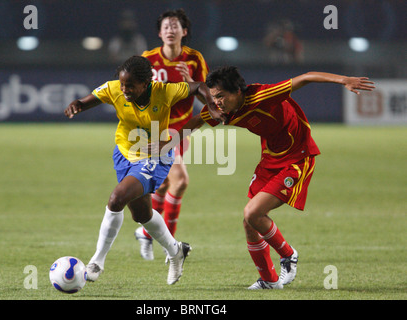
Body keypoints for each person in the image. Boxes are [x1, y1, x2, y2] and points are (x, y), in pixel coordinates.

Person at [154, 66, 375, 289]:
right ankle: (269, 281)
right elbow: (194, 123)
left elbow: (306, 77)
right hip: (270, 159)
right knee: (250, 222)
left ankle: (288, 255)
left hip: (297, 157)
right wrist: (165, 146)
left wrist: (344, 80)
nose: (217, 102)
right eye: (213, 97)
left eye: (221, 96)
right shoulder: (223, 110)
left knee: (252, 212)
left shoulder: (261, 96)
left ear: (237, 91)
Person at [63, 55, 217, 285]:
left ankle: (97, 261)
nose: (124, 89)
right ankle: (176, 251)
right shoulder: (115, 88)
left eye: (130, 85)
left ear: (146, 83)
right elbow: (91, 99)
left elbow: (198, 87)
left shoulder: (164, 91)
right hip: (124, 153)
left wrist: (212, 105)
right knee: (142, 215)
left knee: (116, 199)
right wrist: (78, 104)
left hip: (154, 155)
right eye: (123, 84)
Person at [135, 9, 209, 261]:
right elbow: (134, 93)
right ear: (159, 33)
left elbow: (206, 97)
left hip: (182, 130)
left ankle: (146, 233)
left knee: (165, 184)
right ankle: (172, 248)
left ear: (184, 32)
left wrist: (193, 84)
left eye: (175, 26)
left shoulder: (194, 59)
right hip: (157, 129)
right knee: (180, 181)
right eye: (166, 26)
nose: (170, 30)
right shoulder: (148, 59)